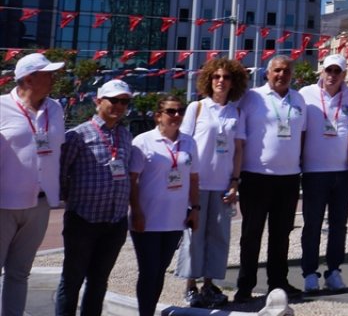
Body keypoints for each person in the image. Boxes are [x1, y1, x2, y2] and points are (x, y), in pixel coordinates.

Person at [56, 79, 135, 316]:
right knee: (71, 281)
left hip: (115, 222)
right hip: (83, 220)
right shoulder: (77, 135)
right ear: (98, 101)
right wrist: (73, 202)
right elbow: (61, 174)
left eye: (124, 101)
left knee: (99, 282)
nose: (119, 106)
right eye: (114, 100)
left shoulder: (126, 136)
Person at [234, 56, 307, 303]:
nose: (282, 74)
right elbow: (239, 138)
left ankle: (278, 283)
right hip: (256, 176)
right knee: (251, 233)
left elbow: (303, 135)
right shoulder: (252, 97)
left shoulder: (298, 100)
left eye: (286, 71)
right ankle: (245, 285)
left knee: (281, 234)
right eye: (277, 70)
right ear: (267, 73)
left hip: (288, 178)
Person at [175, 58, 247, 307]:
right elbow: (183, 145)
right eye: (216, 76)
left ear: (233, 82)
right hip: (197, 184)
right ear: (209, 79)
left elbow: (238, 150)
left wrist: (235, 182)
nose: (221, 81)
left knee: (219, 236)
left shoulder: (236, 112)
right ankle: (190, 285)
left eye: (226, 77)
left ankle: (209, 284)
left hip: (223, 185)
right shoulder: (197, 108)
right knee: (194, 236)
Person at [0, 53, 65, 316]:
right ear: (28, 78)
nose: (53, 78)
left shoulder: (56, 109)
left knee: (19, 273)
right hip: (3, 203)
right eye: (47, 73)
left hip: (40, 204)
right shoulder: (1, 106)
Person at [129, 95, 199, 316]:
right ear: (158, 116)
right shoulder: (143, 142)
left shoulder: (189, 142)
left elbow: (194, 179)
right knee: (149, 271)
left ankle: (148, 311)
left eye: (180, 111)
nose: (177, 115)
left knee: (159, 271)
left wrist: (195, 209)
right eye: (171, 111)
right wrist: (136, 211)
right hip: (148, 220)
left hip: (175, 219)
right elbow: (132, 181)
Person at [298, 54, 348, 293]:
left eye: (337, 71)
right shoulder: (305, 95)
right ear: (321, 72)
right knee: (311, 225)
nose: (332, 75)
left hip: (342, 172)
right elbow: (299, 131)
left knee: (338, 225)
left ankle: (334, 271)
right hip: (314, 172)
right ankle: (309, 273)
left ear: (344, 74)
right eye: (328, 70)